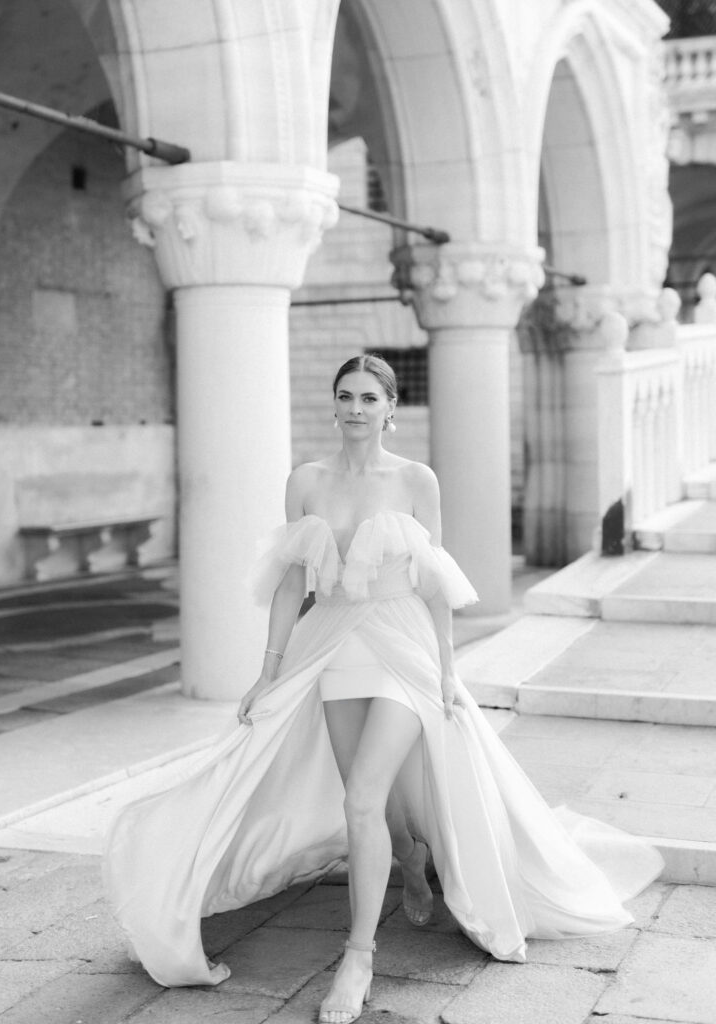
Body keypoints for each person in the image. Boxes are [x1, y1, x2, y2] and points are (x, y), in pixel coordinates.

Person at [104, 354, 663, 1024]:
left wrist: (449, 669)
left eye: (370, 397)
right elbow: (289, 583)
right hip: (334, 644)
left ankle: (358, 957)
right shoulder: (305, 482)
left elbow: (436, 580)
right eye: (345, 396)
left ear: (391, 407)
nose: (356, 408)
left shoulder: (416, 480)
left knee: (365, 795)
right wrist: (268, 669)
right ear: (333, 404)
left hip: (403, 646)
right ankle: (409, 856)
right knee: (362, 801)